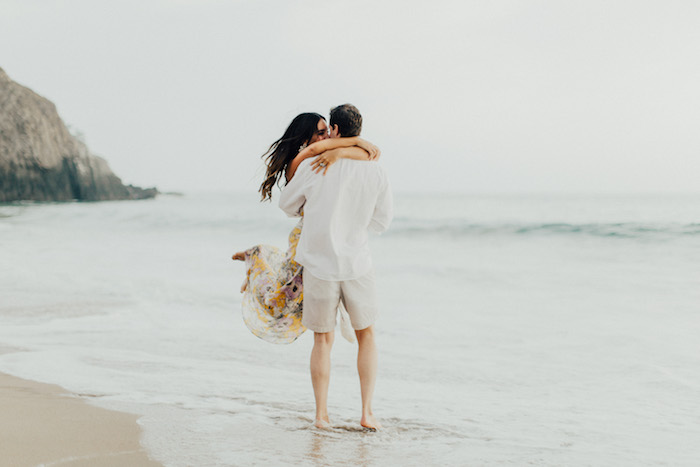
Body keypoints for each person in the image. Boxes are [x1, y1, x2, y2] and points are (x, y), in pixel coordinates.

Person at [279, 104, 393, 431]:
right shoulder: (376, 170)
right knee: (367, 335)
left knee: (322, 340)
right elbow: (382, 222)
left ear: (336, 130)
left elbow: (286, 205)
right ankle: (367, 413)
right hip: (357, 262)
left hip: (319, 263)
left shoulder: (314, 165)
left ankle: (321, 416)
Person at [231, 112, 379, 344]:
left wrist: (345, 149)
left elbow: (366, 156)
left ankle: (255, 264)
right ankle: (256, 257)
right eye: (321, 133)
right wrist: (355, 141)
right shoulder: (302, 161)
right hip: (307, 239)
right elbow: (353, 153)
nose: (327, 137)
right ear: (305, 139)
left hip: (318, 239)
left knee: (293, 298)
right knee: (278, 304)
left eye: (328, 131)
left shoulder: (323, 157)